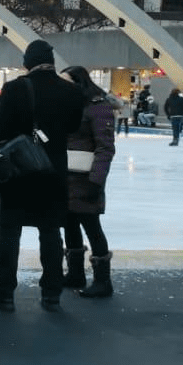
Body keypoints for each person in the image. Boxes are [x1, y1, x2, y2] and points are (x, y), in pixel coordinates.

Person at [0, 40, 86, 313]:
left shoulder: (15, 89)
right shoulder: (71, 91)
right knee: (50, 232)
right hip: (53, 171)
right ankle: (51, 294)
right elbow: (72, 127)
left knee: (9, 232)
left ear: (28, 61)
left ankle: (3, 292)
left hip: (19, 171)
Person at [61, 65, 117, 299]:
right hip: (66, 176)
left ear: (78, 82)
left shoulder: (98, 107)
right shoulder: (71, 106)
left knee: (92, 226)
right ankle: (75, 273)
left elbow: (105, 147)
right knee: (70, 224)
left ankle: (103, 281)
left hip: (86, 179)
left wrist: (96, 180)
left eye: (65, 82)